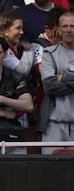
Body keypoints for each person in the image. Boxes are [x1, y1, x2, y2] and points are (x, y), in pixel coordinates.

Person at [40, 11, 74, 153]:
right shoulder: (49, 53)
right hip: (54, 123)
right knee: (50, 169)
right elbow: (49, 86)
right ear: (58, 29)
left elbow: (55, 81)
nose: (69, 30)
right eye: (64, 26)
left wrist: (61, 77)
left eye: (72, 26)